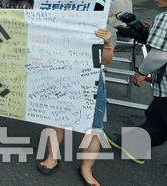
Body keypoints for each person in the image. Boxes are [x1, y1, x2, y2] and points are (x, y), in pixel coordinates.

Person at [106, 0, 167, 165]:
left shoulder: (166, 18)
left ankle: (133, 145)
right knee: (158, 119)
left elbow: (159, 55)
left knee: (160, 117)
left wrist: (141, 72)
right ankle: (134, 146)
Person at [36, 27, 114, 184]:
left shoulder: (102, 25)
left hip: (90, 80)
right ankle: (52, 156)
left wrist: (107, 43)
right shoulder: (55, 18)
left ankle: (86, 168)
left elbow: (105, 60)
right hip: (57, 75)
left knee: (93, 128)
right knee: (55, 119)